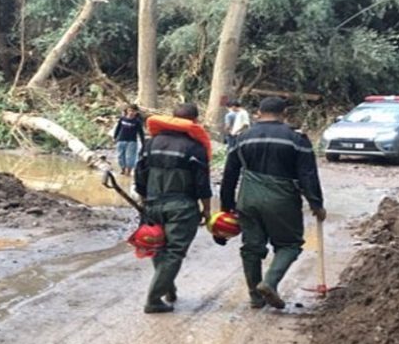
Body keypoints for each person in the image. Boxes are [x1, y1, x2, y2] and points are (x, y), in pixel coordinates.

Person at [218, 97, 326, 310]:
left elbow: (229, 175)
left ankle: (255, 297)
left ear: (258, 113)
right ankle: (269, 282)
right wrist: (316, 204)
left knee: (252, 248)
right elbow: (308, 175)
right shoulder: (296, 139)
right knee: (289, 244)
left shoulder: (242, 138)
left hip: (248, 199)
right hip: (282, 200)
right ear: (284, 113)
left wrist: (226, 207)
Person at [134, 103, 212, 314]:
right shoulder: (195, 148)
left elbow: (139, 175)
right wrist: (206, 210)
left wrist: (144, 201)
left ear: (172, 117)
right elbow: (202, 184)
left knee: (157, 245)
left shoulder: (150, 144)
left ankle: (167, 285)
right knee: (175, 251)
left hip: (152, 204)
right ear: (194, 121)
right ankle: (153, 299)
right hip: (182, 207)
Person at [113, 104, 146, 176]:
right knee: (120, 156)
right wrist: (115, 137)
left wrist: (143, 143)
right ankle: (123, 169)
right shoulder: (122, 119)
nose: (131, 113)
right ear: (127, 111)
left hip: (132, 141)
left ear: (136, 112)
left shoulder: (137, 122)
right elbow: (118, 128)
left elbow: (141, 133)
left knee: (130, 157)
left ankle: (128, 171)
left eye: (133, 111)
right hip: (121, 139)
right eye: (130, 111)